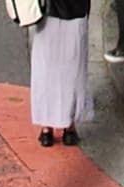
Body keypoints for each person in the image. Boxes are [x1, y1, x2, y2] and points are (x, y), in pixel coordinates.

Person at [32, 0, 94, 145]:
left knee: (46, 65)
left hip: (47, 9)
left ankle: (46, 128)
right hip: (76, 9)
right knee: (73, 66)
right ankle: (69, 126)